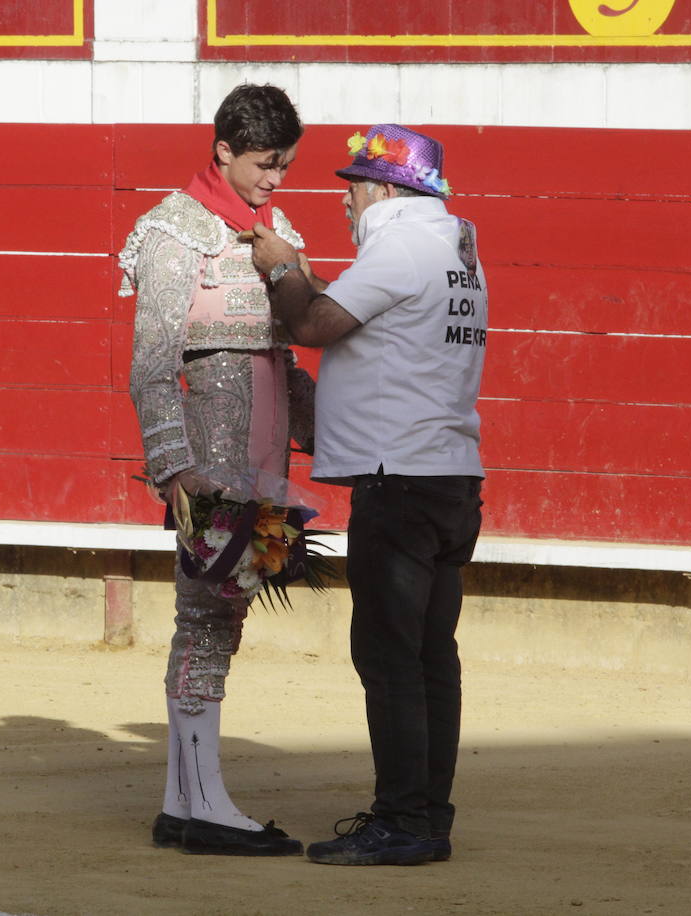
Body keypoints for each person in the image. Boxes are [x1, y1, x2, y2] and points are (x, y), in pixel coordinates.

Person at [250, 124, 488, 866]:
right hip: (450, 476)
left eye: (355, 186)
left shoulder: (398, 243)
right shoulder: (454, 249)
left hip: (401, 482)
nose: (347, 201)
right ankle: (427, 816)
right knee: (429, 657)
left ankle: (403, 821)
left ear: (387, 190)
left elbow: (312, 324)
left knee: (388, 658)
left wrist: (284, 267)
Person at [119, 83, 316, 856]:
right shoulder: (173, 233)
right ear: (224, 150)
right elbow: (151, 362)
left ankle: (183, 801)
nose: (277, 180)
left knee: (219, 619)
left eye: (286, 167)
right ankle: (202, 807)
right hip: (208, 461)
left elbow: (289, 353)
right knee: (206, 616)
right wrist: (173, 467)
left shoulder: (275, 230)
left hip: (264, 456)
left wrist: (329, 434)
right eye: (267, 164)